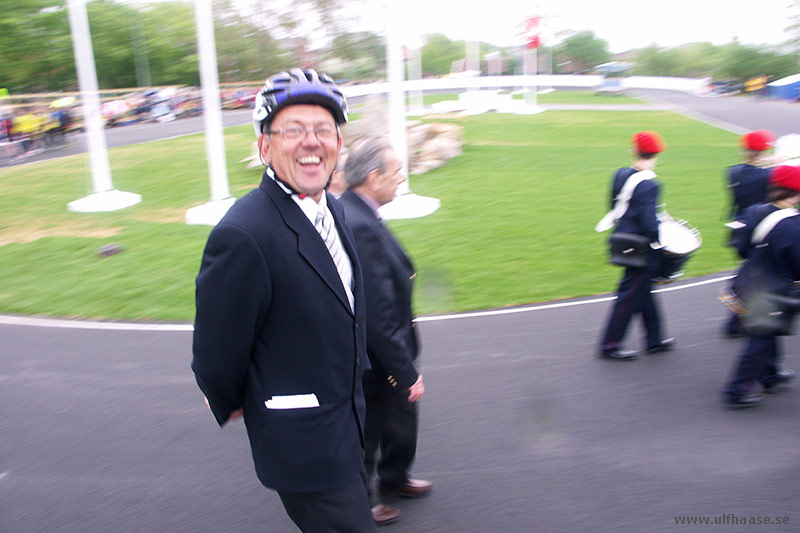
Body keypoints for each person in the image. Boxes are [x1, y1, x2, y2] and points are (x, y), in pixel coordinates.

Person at [191, 68, 376, 532]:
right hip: (303, 444)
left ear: (338, 141)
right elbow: (214, 354)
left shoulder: (330, 208)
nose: (311, 141)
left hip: (348, 425)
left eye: (323, 129)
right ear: (264, 147)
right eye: (293, 130)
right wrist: (234, 398)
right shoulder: (243, 234)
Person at [339, 138, 432, 524]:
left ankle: (395, 478)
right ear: (373, 177)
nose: (402, 177)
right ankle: (363, 500)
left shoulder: (362, 211)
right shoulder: (359, 222)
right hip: (376, 357)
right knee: (371, 429)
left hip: (387, 349)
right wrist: (404, 370)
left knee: (401, 416)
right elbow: (376, 312)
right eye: (395, 171)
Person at [720, 165, 800, 408]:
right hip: (772, 291)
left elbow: (743, 248)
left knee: (768, 329)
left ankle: (770, 374)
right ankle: (738, 390)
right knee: (761, 338)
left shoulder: (754, 211)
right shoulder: (794, 226)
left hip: (747, 284)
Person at [598, 131, 674, 360]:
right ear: (657, 153)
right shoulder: (651, 184)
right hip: (641, 247)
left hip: (623, 238)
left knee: (643, 291)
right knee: (629, 297)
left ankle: (655, 339)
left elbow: (612, 205)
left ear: (634, 151)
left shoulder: (620, 174)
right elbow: (649, 221)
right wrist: (660, 243)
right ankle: (610, 345)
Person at [722, 130, 775, 337]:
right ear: (762, 152)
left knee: (754, 273)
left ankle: (738, 321)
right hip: (761, 231)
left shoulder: (733, 172)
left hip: (741, 229)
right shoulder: (768, 175)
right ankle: (735, 323)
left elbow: (752, 176)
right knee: (756, 276)